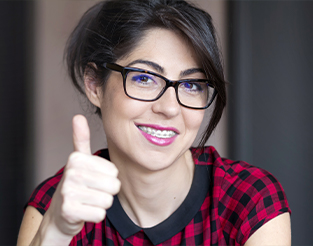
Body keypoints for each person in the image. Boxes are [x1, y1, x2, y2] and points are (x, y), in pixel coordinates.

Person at [17, 0, 291, 245]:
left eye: (192, 85)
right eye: (144, 78)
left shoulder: (249, 200)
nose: (170, 108)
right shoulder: (61, 203)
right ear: (94, 85)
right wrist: (54, 234)